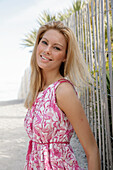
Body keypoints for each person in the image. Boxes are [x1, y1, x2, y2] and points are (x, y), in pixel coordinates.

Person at [24, 21, 101, 170]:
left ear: (65, 56)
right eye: (44, 42)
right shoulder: (38, 90)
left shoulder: (63, 91)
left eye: (56, 48)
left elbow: (91, 150)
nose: (47, 50)